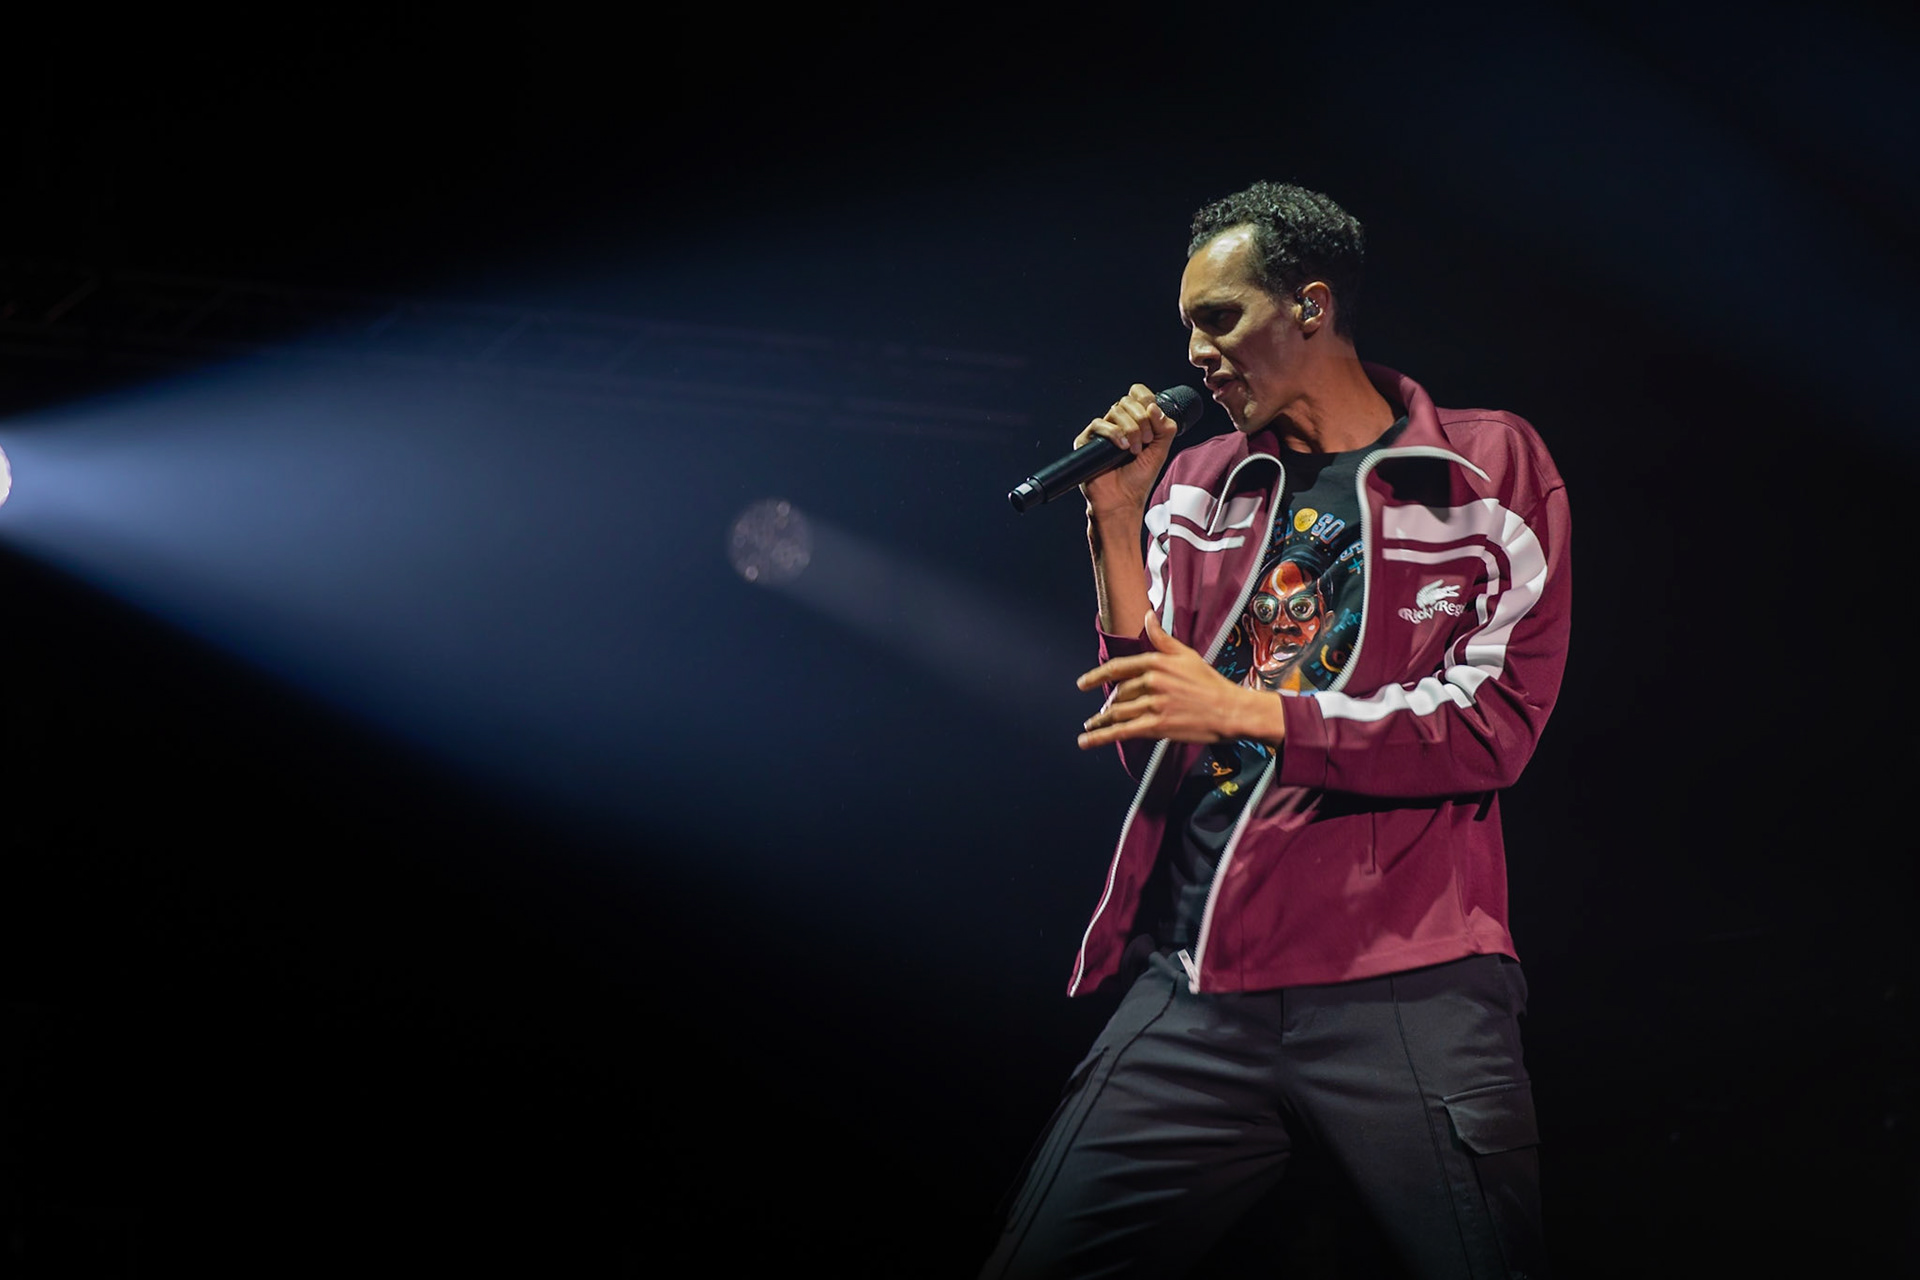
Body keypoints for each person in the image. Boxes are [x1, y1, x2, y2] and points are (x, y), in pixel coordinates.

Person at [978, 182, 1571, 1279]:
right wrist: (1114, 521)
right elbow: (1144, 716)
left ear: (1309, 305)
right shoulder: (1200, 483)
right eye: (1187, 325)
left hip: (1410, 982)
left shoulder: (1486, 468)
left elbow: (1496, 725)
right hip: (1199, 984)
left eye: (1218, 318)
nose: (1194, 352)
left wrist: (1255, 709)